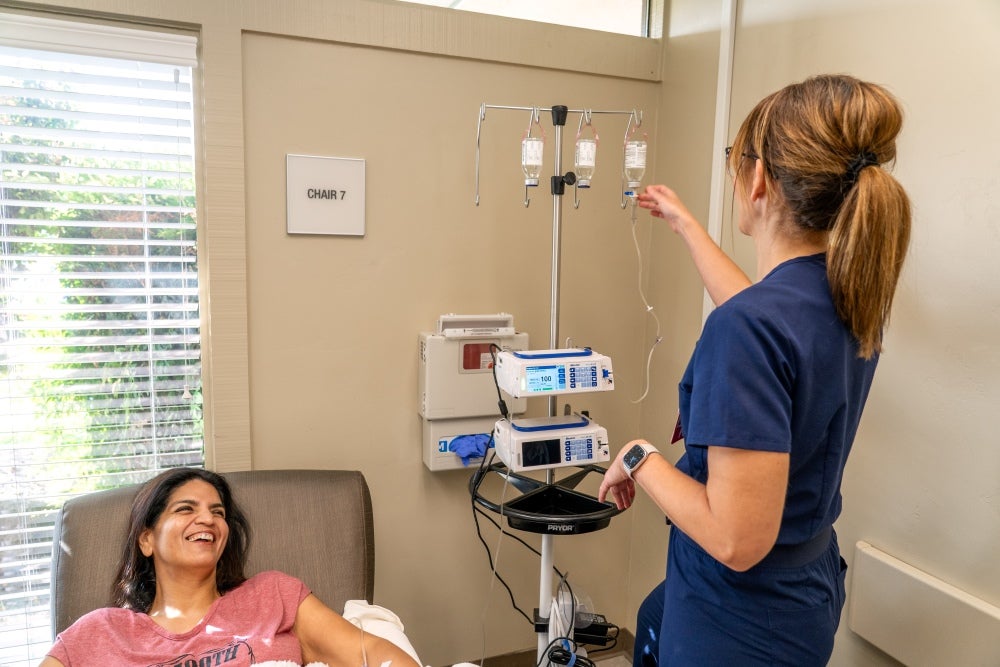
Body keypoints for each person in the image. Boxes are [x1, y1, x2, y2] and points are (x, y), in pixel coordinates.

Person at [598, 74, 911, 665]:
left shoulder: (749, 328)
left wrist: (639, 457)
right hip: (804, 585)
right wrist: (686, 225)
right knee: (652, 617)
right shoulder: (844, 294)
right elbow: (760, 317)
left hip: (739, 611)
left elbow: (735, 540)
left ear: (759, 178)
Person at [41, 467, 421, 667]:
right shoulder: (99, 632)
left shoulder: (273, 596)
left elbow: (370, 653)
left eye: (218, 512)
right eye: (186, 509)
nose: (207, 519)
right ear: (146, 540)